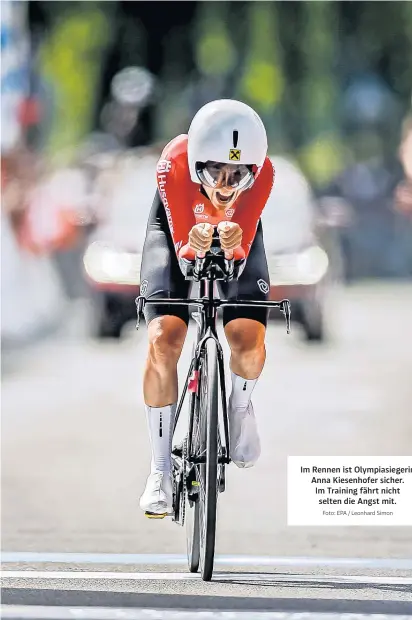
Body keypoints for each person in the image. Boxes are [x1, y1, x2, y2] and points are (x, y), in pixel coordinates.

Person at [139, 99, 275, 517]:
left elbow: (241, 247)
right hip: (175, 228)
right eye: (216, 170)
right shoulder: (173, 162)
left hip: (237, 234)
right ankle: (160, 469)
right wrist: (191, 242)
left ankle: (238, 407)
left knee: (246, 337)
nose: (227, 184)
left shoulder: (264, 174)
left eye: (239, 174)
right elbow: (183, 251)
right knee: (165, 338)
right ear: (197, 161)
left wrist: (233, 242)